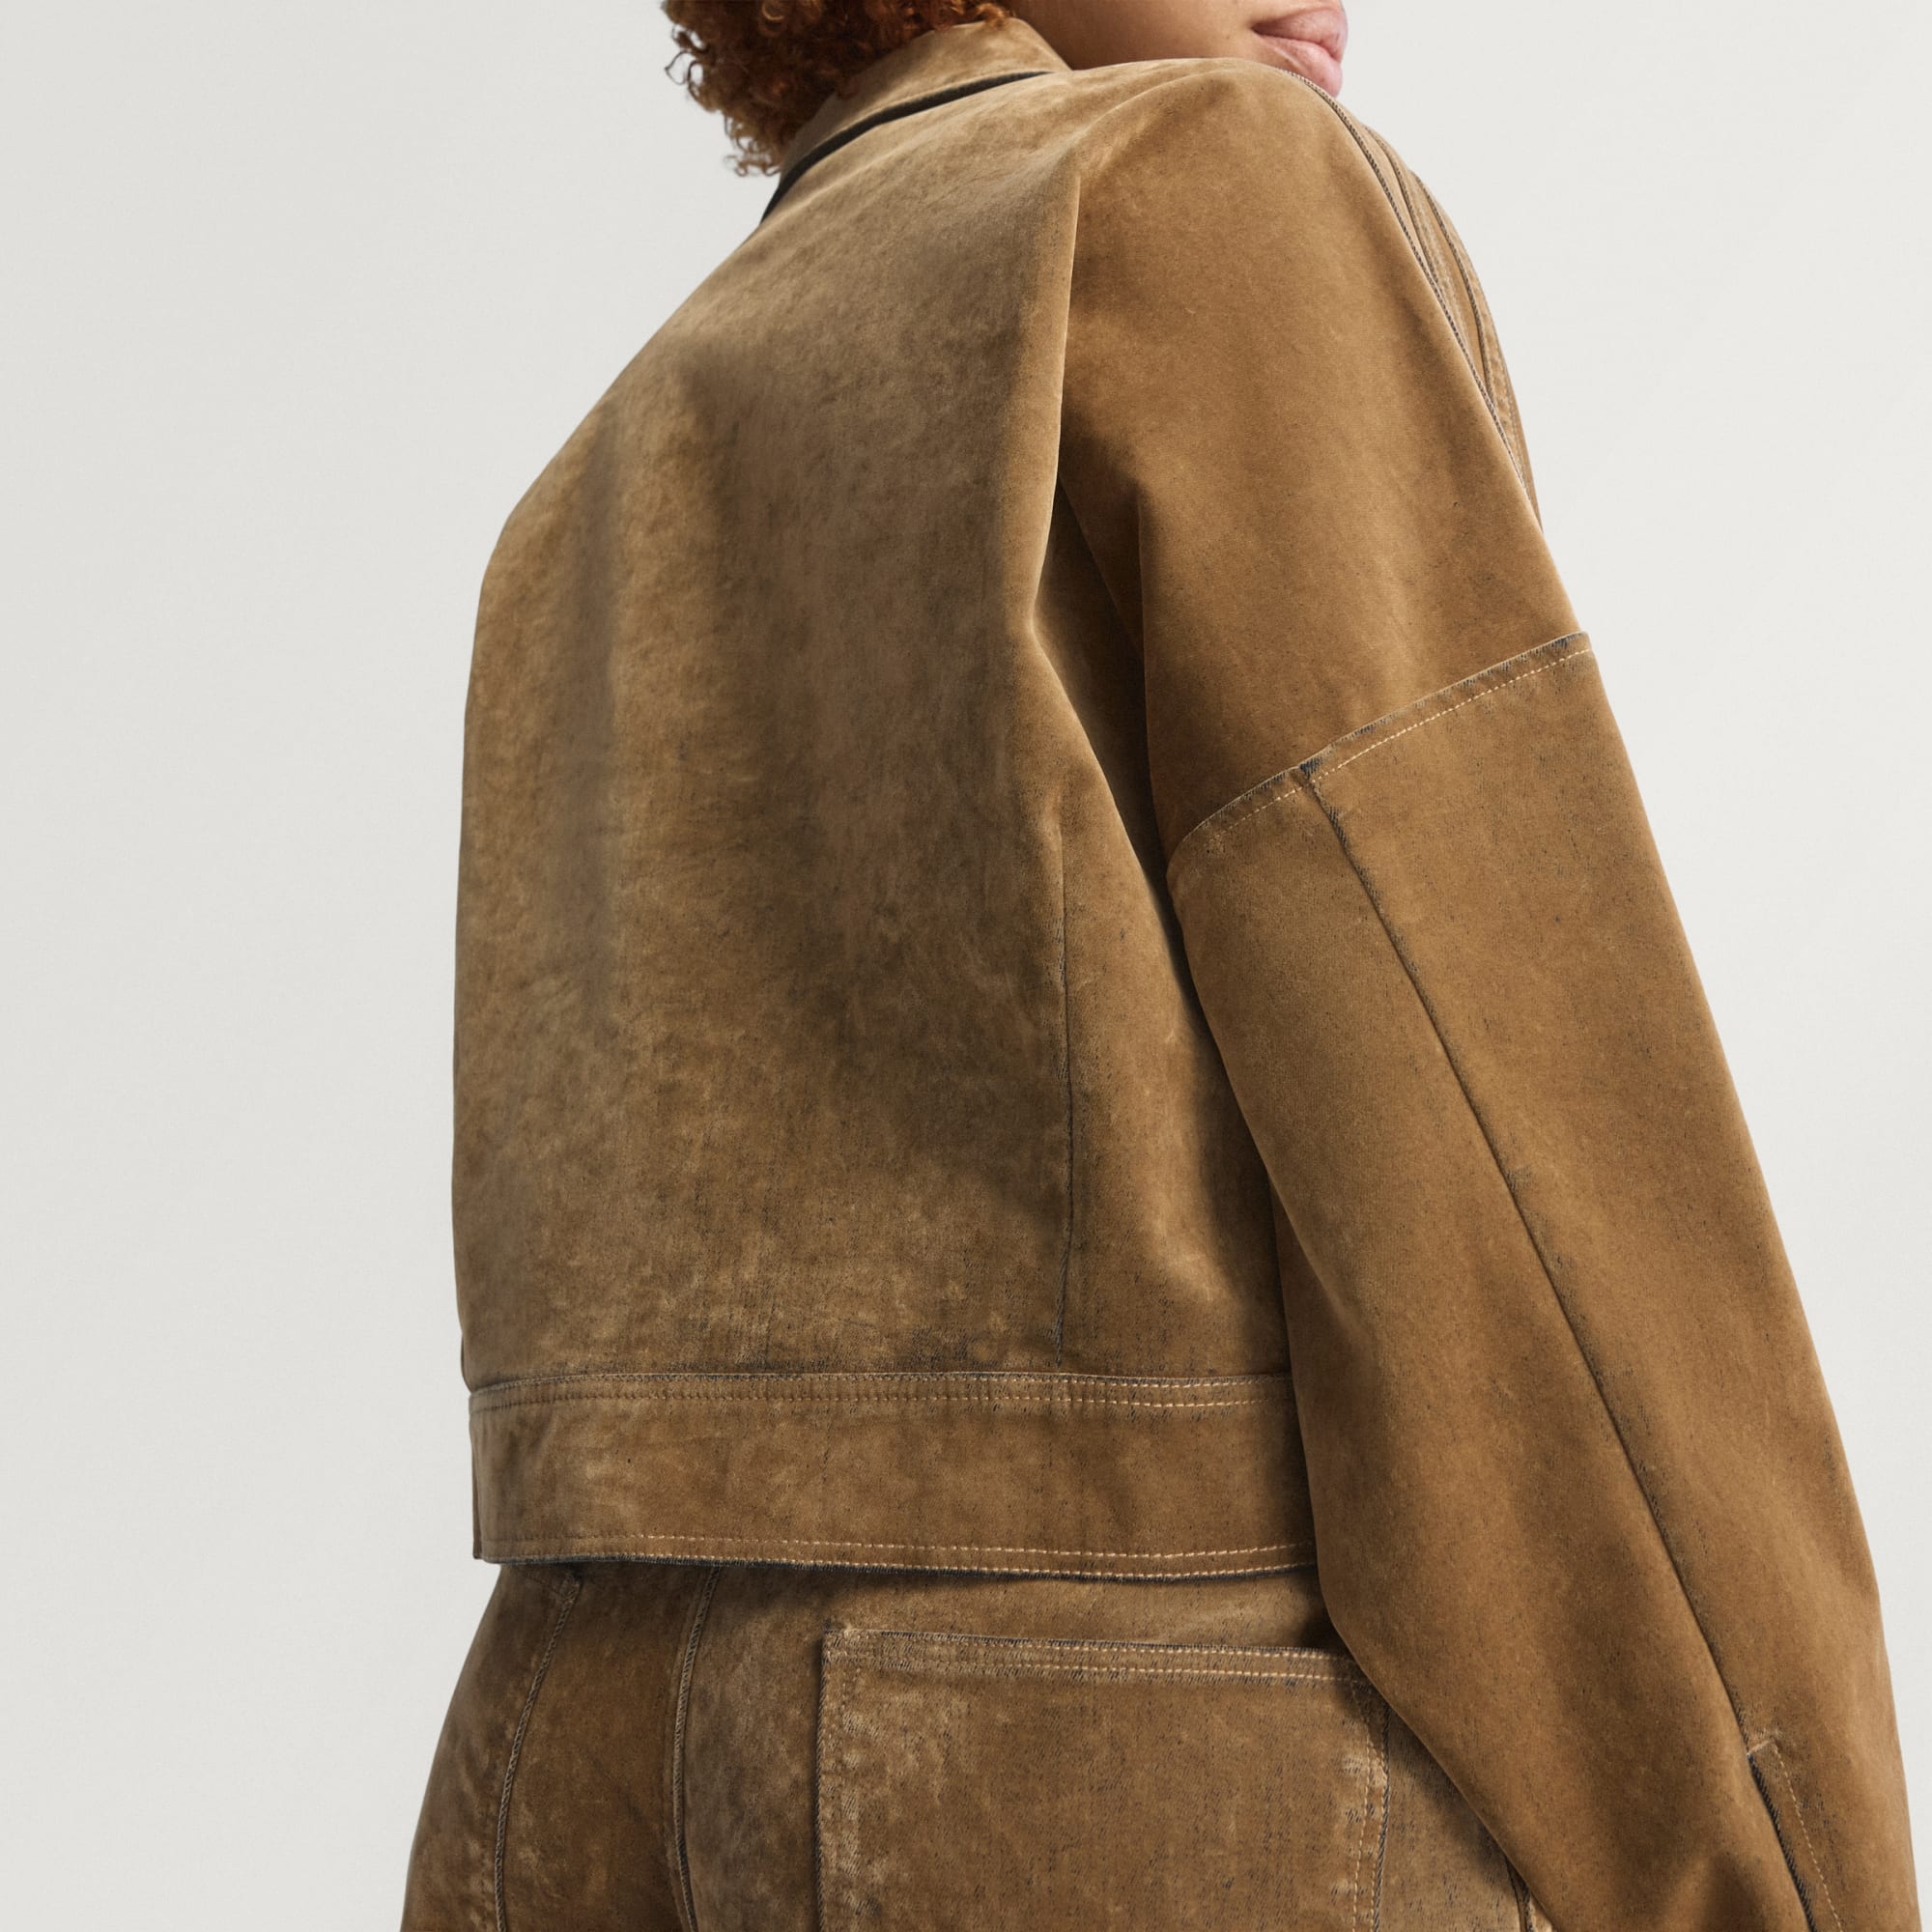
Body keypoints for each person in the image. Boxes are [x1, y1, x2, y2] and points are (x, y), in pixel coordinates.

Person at [400, 4, 1918, 1926]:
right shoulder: (1193, 190)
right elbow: (1513, 1182)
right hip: (1120, 1789)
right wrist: (1798, 1873)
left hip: (560, 1771)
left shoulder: (606, 458)